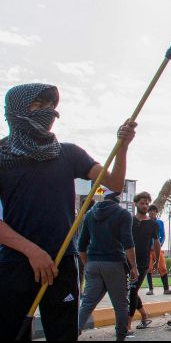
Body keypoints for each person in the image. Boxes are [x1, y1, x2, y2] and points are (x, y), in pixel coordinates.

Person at [0, 83, 137, 340]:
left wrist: (122, 147)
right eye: (38, 106)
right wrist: (32, 251)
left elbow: (115, 183)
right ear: (16, 111)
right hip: (16, 264)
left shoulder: (69, 153)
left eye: (51, 107)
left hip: (62, 261)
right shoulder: (1, 156)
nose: (48, 112)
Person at [77, 190, 138, 341]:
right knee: (120, 305)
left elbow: (81, 246)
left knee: (87, 304)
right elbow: (128, 243)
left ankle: (74, 332)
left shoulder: (90, 214)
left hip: (93, 264)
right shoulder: (123, 214)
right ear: (119, 197)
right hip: (114, 263)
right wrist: (134, 267)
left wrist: (88, 265)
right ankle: (121, 336)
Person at [127, 192, 159, 332]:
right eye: (142, 203)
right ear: (135, 204)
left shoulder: (152, 224)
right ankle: (144, 314)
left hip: (143, 263)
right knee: (130, 291)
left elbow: (156, 243)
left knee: (132, 291)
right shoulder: (129, 221)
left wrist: (157, 260)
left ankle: (127, 325)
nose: (145, 206)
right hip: (127, 261)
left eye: (147, 203)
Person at [145, 205, 171, 296]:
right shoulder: (145, 222)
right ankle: (150, 289)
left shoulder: (160, 222)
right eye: (150, 211)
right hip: (148, 250)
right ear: (148, 212)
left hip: (157, 249)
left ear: (156, 212)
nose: (152, 212)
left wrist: (159, 244)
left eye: (154, 211)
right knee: (149, 268)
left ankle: (166, 289)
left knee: (162, 267)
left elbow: (162, 235)